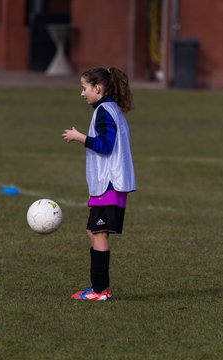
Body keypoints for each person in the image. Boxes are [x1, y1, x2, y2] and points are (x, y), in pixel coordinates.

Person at [62, 66, 136, 301]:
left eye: (84, 88)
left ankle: (99, 290)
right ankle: (98, 287)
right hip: (108, 184)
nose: (82, 93)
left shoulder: (105, 110)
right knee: (92, 231)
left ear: (98, 88)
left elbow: (105, 145)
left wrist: (79, 137)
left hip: (110, 183)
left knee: (99, 233)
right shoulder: (108, 108)